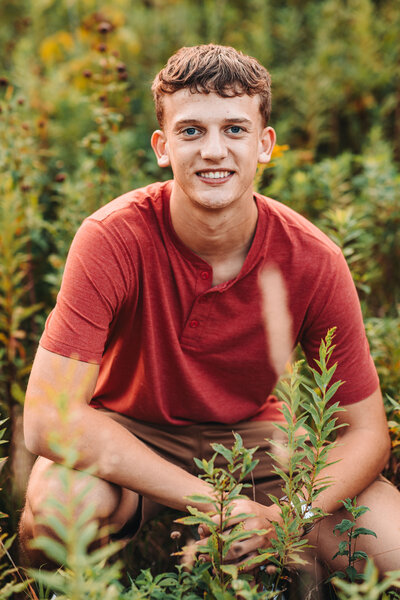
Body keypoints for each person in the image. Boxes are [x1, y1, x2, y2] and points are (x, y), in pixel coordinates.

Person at [20, 44, 400, 576]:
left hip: (256, 441)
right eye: (192, 130)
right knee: (61, 507)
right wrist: (214, 504)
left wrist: (284, 516)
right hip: (128, 430)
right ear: (163, 145)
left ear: (265, 144)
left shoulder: (313, 258)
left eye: (236, 130)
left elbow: (367, 433)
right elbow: (46, 418)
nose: (214, 150)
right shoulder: (111, 239)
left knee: (389, 545)